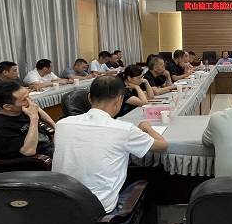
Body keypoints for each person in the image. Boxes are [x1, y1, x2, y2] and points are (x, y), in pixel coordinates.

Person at [52, 76, 167, 213]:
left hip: (61, 206)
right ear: (119, 99)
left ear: (89, 98)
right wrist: (147, 128)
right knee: (144, 183)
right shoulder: (124, 129)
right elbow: (162, 146)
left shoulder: (61, 125)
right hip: (100, 212)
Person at [0, 80, 55, 158]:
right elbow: (29, 151)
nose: (30, 101)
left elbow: (36, 108)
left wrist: (54, 126)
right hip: (35, 159)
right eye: (25, 99)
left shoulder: (21, 109)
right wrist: (34, 118)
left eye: (28, 96)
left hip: (49, 146)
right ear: (8, 107)